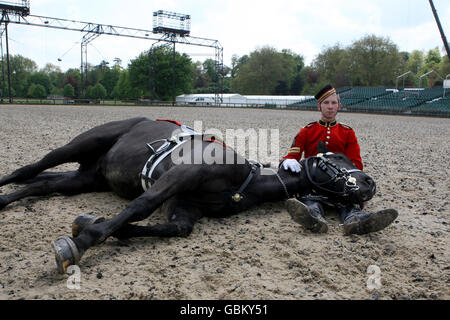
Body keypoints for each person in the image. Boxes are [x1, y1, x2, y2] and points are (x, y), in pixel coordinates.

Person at [281, 84, 398, 235]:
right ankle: (314, 217)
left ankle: (355, 221)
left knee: (349, 204)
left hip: (340, 184)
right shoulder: (307, 131)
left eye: (334, 103)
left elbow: (356, 164)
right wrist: (288, 160)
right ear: (319, 106)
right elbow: (292, 156)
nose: (330, 107)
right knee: (312, 202)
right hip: (314, 183)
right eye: (326, 103)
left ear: (339, 106)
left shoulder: (347, 132)